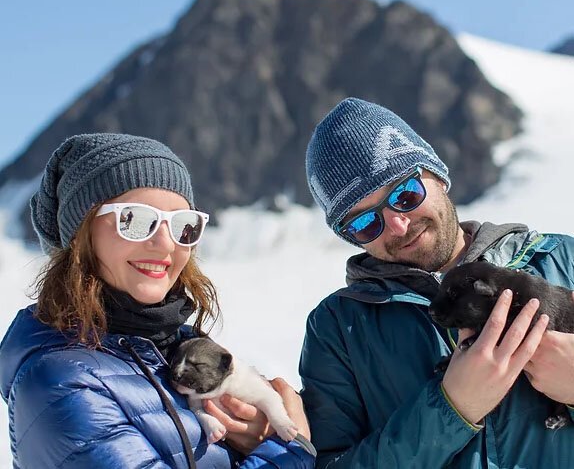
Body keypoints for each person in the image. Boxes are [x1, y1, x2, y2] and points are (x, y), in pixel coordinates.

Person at [0, 133, 315, 469]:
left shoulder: (174, 346)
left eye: (183, 224)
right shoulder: (61, 383)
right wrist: (292, 452)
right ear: (82, 235)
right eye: (134, 219)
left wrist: (258, 434)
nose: (165, 244)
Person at [300, 97, 574, 468]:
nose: (398, 225)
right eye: (365, 223)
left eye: (405, 195)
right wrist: (451, 409)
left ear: (437, 175)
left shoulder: (562, 261)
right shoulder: (337, 329)